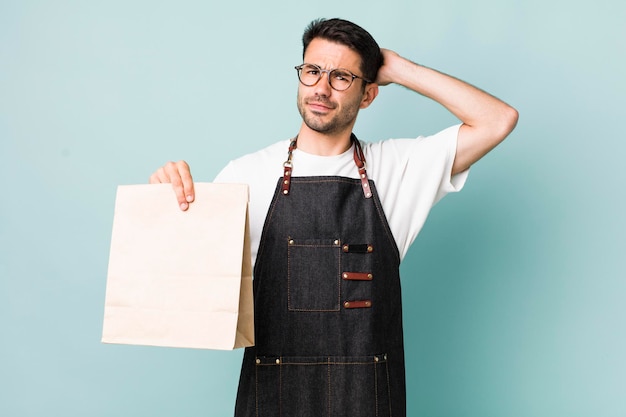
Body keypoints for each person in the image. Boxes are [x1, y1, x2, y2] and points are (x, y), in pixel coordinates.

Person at [150, 17, 518, 417]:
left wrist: (400, 69)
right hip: (273, 399)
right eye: (312, 71)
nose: (321, 89)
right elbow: (186, 282)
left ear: (368, 94)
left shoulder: (397, 168)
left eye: (341, 77)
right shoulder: (246, 175)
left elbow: (498, 119)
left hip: (367, 400)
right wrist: (168, 203)